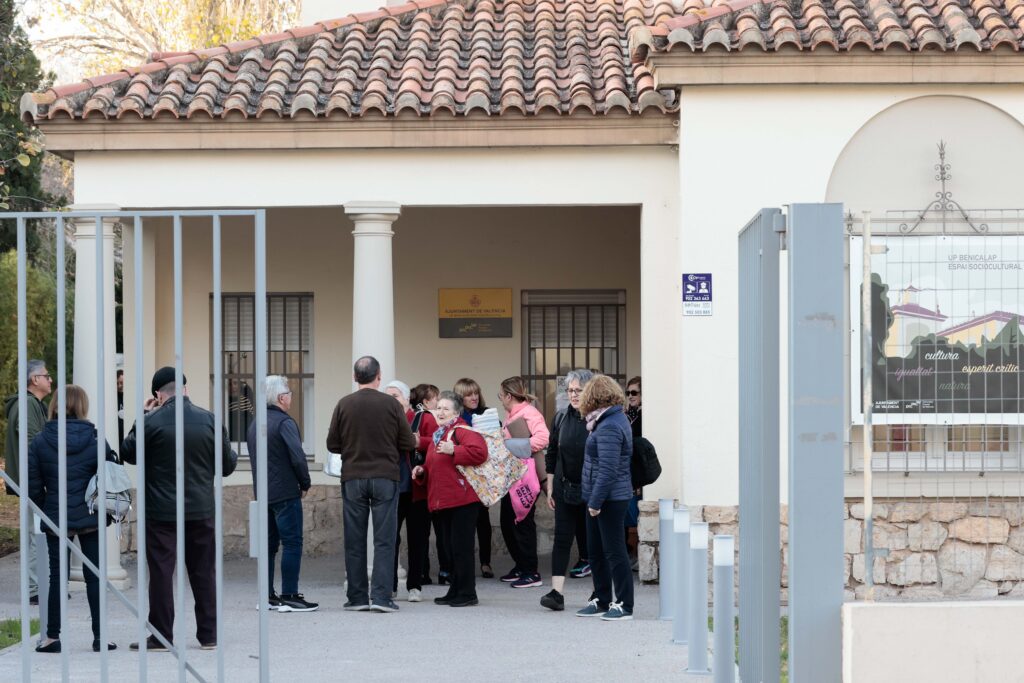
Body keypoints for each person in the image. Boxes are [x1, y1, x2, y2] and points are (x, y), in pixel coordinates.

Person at [121, 367, 238, 651]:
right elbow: (227, 466)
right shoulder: (210, 420)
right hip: (200, 509)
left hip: (161, 512)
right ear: (184, 389)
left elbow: (128, 452)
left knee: (161, 573)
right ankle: (209, 635)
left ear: (159, 395)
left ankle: (161, 636)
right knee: (203, 572)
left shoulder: (152, 421)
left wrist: (142, 417)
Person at [29, 385, 118, 653]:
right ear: (82, 406)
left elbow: (33, 487)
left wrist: (48, 508)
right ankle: (100, 638)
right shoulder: (95, 439)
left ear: (55, 405)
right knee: (95, 576)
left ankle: (52, 637)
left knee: (57, 577)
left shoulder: (40, 441)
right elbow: (110, 476)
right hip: (90, 515)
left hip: (57, 518)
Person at [326, 356, 417, 613]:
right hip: (385, 477)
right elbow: (408, 442)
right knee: (384, 539)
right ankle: (381, 597)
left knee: (354, 539)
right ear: (378, 376)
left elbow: (332, 444)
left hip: (353, 476)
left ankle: (356, 597)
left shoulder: (344, 404)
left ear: (355, 377)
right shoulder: (391, 404)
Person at [246, 375, 316, 612]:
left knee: (269, 545)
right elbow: (297, 456)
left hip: (263, 493)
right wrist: (305, 482)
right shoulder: (285, 423)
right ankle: (290, 595)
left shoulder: (256, 423)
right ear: (280, 397)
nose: (291, 397)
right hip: (285, 492)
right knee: (292, 542)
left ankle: (267, 595)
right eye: (289, 393)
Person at [411, 391, 488, 607]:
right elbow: (435, 465)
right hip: (444, 500)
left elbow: (480, 452)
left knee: (461, 549)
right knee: (451, 548)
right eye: (439, 408)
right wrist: (421, 471)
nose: (441, 412)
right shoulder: (440, 434)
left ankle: (467, 593)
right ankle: (455, 590)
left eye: (446, 408)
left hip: (462, 501)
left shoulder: (461, 430)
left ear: (456, 412)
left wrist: (454, 449)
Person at [575, 375, 635, 621]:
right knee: (596, 551)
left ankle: (623, 604)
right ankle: (600, 598)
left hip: (609, 498)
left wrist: (595, 502)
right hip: (599, 496)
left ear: (593, 397)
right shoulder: (602, 421)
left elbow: (608, 469)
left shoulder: (610, 425)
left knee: (614, 551)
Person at [540, 369, 593, 611]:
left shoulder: (598, 419)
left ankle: (600, 592)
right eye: (570, 390)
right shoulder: (561, 418)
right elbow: (552, 453)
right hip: (564, 488)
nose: (573, 395)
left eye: (578, 390)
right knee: (562, 539)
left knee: (595, 542)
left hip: (592, 490)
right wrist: (550, 485)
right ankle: (556, 593)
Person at [4, 358, 52, 605]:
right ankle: (36, 589)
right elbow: (33, 441)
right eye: (46, 375)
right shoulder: (28, 404)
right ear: (35, 380)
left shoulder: (29, 404)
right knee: (37, 535)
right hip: (33, 481)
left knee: (37, 533)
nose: (50, 379)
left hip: (30, 480)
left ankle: (39, 586)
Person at [496, 376, 549, 589]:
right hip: (512, 479)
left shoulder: (529, 413)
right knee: (507, 523)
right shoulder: (512, 414)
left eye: (500, 395)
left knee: (523, 524)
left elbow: (543, 439)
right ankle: (520, 565)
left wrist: (511, 444)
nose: (500, 400)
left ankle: (531, 571)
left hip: (526, 479)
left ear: (509, 396)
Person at [384, 379, 426, 602]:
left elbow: (434, 443)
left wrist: (418, 442)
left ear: (406, 399)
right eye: (387, 396)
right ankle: (390, 586)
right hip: (392, 487)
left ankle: (415, 586)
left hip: (417, 488)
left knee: (417, 538)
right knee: (391, 539)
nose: (391, 400)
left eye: (395, 396)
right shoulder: (383, 421)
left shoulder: (420, 418)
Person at [453, 377, 493, 579]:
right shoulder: (456, 419)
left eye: (476, 392)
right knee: (462, 523)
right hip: (461, 475)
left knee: (483, 521)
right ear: (460, 397)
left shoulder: (487, 414)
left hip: (482, 474)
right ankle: (461, 565)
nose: (474, 397)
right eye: (469, 394)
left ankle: (486, 562)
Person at [411, 383, 447, 586]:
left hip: (417, 482)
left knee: (420, 532)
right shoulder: (429, 418)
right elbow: (437, 441)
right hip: (431, 479)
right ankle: (445, 571)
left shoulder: (413, 417)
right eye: (436, 398)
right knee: (441, 530)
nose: (439, 402)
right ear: (426, 402)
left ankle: (423, 572)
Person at [624, 376, 643, 570]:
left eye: (634, 393)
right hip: (625, 472)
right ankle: (629, 554)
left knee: (634, 515)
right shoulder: (626, 415)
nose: (630, 396)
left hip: (637, 474)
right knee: (626, 515)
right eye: (628, 393)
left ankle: (637, 555)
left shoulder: (644, 417)